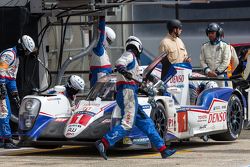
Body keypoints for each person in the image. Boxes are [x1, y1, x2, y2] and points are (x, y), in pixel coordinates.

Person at [95, 36, 176, 160]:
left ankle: (163, 149)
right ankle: (104, 142)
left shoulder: (134, 63)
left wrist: (145, 88)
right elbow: (119, 63)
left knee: (147, 123)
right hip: (128, 93)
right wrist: (123, 70)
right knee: (127, 125)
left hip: (130, 94)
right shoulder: (130, 55)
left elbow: (135, 82)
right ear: (138, 46)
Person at [0, 35, 36, 149]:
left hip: (2, 85)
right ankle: (7, 139)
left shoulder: (16, 59)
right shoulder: (9, 55)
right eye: (26, 51)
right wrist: (2, 87)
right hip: (0, 85)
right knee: (4, 113)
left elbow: (11, 79)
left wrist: (15, 93)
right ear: (22, 47)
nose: (26, 54)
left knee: (8, 112)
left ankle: (2, 138)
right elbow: (0, 70)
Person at [200, 23, 231, 87]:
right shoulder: (204, 46)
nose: (210, 35)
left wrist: (216, 72)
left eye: (212, 33)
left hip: (222, 78)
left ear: (217, 33)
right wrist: (208, 71)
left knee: (223, 96)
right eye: (209, 33)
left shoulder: (225, 46)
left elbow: (226, 61)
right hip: (209, 78)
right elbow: (202, 61)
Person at [89, 16, 116, 87]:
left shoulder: (100, 50)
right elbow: (101, 34)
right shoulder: (98, 48)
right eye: (109, 40)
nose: (108, 43)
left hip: (102, 81)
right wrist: (102, 17)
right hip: (100, 84)